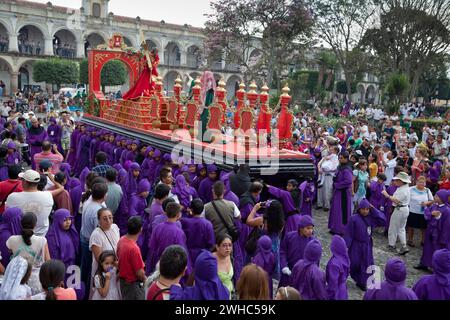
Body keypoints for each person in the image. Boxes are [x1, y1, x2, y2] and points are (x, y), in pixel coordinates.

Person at [344, 199, 386, 291]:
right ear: (359, 209)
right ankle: (354, 277)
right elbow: (349, 233)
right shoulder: (353, 218)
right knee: (354, 263)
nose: (365, 211)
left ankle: (362, 282)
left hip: (366, 245)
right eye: (363, 209)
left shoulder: (370, 218)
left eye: (367, 209)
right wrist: (346, 246)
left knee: (366, 264)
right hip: (355, 245)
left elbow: (383, 220)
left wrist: (374, 209)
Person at [6, 212, 51, 295]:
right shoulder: (42, 241)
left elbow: (10, 254)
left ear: (21, 224)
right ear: (35, 225)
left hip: (16, 278)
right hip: (36, 280)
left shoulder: (11, 240)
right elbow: (48, 262)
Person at [5, 170, 56, 236]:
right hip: (42, 235)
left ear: (25, 182)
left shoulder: (13, 197)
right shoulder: (48, 195)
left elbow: (7, 214)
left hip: (20, 235)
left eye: (22, 179)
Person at [80, 182, 108, 295]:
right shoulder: (97, 211)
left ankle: (81, 289)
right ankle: (86, 293)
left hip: (84, 238)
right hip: (90, 242)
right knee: (91, 271)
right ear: (104, 195)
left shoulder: (90, 200)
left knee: (85, 267)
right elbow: (100, 231)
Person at [146, 202, 189, 275]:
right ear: (178, 215)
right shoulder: (179, 232)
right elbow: (182, 253)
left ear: (165, 212)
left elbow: (152, 247)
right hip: (172, 266)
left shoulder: (158, 227)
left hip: (158, 262)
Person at [415, 189, 450, 271]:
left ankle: (435, 267)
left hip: (438, 234)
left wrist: (443, 239)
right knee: (427, 248)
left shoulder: (447, 211)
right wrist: (431, 214)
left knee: (435, 250)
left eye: (437, 196)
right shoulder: (434, 206)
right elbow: (427, 213)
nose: (434, 197)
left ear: (442, 198)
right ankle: (424, 263)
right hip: (430, 231)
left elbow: (446, 226)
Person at [89, 208, 120, 296]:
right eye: (105, 218)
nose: (109, 221)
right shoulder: (96, 235)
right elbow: (99, 259)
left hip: (115, 267)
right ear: (99, 220)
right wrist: (112, 267)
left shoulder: (115, 228)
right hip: (104, 270)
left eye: (110, 217)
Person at [279, 215, 315, 287]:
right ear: (301, 228)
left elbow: (315, 261)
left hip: (303, 277)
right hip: (288, 273)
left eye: (312, 228)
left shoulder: (313, 242)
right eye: (308, 228)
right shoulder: (290, 237)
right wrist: (284, 266)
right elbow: (282, 252)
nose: (310, 231)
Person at [117, 216, 147, 300]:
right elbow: (139, 273)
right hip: (133, 285)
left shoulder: (122, 239)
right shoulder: (134, 249)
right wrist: (146, 280)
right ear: (141, 230)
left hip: (123, 282)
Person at [382, 172, 411, 255]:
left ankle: (391, 245)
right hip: (404, 208)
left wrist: (387, 195)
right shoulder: (404, 188)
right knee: (401, 228)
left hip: (400, 209)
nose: (395, 182)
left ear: (402, 181)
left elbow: (396, 200)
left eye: (397, 180)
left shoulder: (403, 190)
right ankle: (404, 246)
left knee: (393, 227)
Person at [181, 198, 215, 264]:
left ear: (191, 209)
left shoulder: (184, 222)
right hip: (202, 255)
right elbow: (211, 243)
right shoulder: (207, 224)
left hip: (187, 254)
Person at [329, 151, 353, 235]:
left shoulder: (347, 169)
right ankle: (334, 227)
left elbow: (348, 181)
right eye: (339, 158)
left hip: (343, 193)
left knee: (342, 212)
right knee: (335, 210)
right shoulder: (340, 167)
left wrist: (337, 184)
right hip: (338, 192)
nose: (339, 159)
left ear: (346, 159)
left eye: (341, 158)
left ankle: (342, 229)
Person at [407, 176, 433, 248]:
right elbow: (406, 198)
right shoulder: (411, 189)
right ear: (416, 182)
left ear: (425, 183)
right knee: (411, 226)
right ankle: (410, 240)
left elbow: (431, 200)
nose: (421, 183)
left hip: (423, 212)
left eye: (423, 182)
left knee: (423, 228)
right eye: (420, 182)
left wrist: (426, 203)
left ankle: (423, 241)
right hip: (412, 211)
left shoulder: (427, 190)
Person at [326, 235, 350, 300]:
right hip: (343, 289)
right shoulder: (345, 258)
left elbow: (333, 282)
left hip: (337, 292)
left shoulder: (334, 263)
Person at [212, 234, 235, 299]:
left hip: (229, 295)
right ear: (217, 247)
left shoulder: (230, 257)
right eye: (224, 245)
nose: (228, 248)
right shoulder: (211, 259)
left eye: (230, 245)